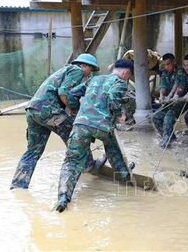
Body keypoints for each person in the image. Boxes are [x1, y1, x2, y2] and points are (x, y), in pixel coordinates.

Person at [55, 59, 136, 212]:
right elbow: (112, 99)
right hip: (103, 126)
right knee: (114, 152)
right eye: (129, 76)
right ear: (126, 73)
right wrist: (121, 115)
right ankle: (127, 181)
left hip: (81, 125)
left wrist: (77, 110)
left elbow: (71, 93)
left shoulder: (94, 79)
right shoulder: (120, 83)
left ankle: (63, 198)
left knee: (71, 163)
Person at [10, 54, 100, 190]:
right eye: (90, 70)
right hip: (49, 110)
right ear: (84, 65)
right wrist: (74, 109)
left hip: (33, 110)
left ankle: (18, 186)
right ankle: (88, 165)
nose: (89, 74)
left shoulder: (64, 70)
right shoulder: (77, 70)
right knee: (75, 135)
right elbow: (63, 92)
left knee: (33, 151)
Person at [152, 53, 177, 137]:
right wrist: (161, 96)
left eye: (168, 64)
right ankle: (169, 138)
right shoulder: (165, 73)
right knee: (155, 117)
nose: (166, 67)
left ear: (174, 61)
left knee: (168, 119)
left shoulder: (180, 71)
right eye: (164, 65)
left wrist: (170, 96)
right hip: (169, 100)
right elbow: (163, 86)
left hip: (181, 99)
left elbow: (179, 86)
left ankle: (166, 143)